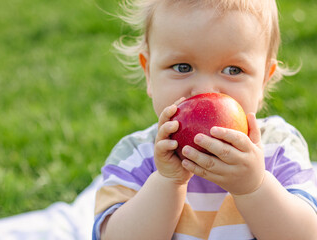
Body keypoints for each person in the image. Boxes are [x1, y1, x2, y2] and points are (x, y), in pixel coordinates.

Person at [92, 0, 317, 239]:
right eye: (182, 67)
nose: (204, 91)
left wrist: (254, 187)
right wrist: (168, 182)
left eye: (233, 70)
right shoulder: (136, 156)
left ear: (263, 80)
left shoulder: (279, 148)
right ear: (149, 73)